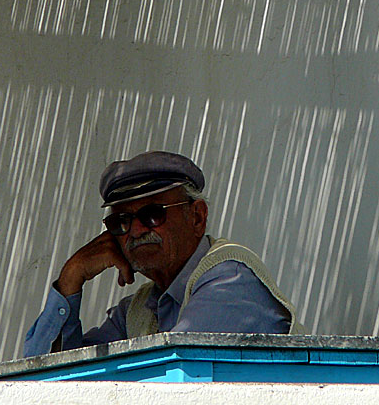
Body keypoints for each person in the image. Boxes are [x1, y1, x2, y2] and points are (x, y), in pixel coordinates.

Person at [23, 150, 304, 357]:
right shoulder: (138, 309)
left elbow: (173, 380)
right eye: (121, 221)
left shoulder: (230, 279)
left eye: (152, 214)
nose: (134, 231)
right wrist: (71, 278)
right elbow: (49, 378)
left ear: (196, 217)